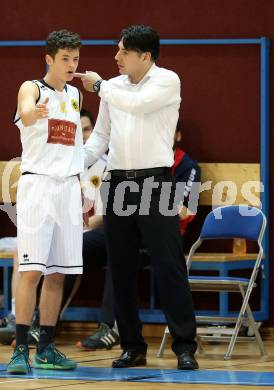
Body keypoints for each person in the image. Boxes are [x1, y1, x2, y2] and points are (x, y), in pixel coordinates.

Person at [79, 25, 199, 370]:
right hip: (117, 184)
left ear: (144, 56)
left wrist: (100, 87)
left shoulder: (166, 81)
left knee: (168, 265)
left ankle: (184, 345)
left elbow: (139, 104)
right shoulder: (113, 88)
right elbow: (100, 136)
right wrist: (71, 164)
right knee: (120, 267)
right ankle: (132, 345)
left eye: (124, 52)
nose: (116, 57)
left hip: (156, 183)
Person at [76, 124, 201, 351]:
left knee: (123, 257)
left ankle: (110, 328)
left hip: (164, 232)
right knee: (72, 250)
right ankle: (43, 325)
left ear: (177, 135)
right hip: (128, 225)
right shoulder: (131, 163)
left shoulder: (188, 166)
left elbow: (186, 210)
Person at [7, 29, 84, 374]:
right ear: (49, 59)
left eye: (76, 59)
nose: (72, 65)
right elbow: (24, 111)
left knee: (57, 275)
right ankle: (20, 349)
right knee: (32, 270)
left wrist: (81, 186)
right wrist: (31, 113)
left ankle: (46, 348)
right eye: (65, 58)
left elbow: (74, 147)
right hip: (38, 187)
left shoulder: (75, 95)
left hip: (68, 189)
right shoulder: (32, 88)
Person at [0, 108, 106, 347]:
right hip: (50, 216)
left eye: (87, 129)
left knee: (59, 268)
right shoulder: (53, 160)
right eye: (81, 129)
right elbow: (24, 110)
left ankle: (43, 334)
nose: (84, 135)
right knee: (27, 261)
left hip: (90, 230)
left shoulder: (103, 165)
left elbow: (105, 216)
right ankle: (19, 321)